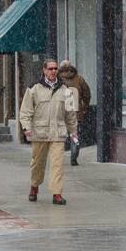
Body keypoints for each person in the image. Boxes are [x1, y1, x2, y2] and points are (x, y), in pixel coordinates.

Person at [18, 57, 77, 205]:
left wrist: (73, 131)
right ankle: (34, 186)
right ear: (44, 70)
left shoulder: (66, 90)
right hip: (40, 132)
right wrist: (26, 127)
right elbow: (25, 111)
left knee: (57, 164)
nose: (53, 71)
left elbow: (70, 113)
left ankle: (57, 193)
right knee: (37, 163)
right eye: (50, 68)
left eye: (55, 68)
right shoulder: (34, 88)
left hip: (58, 133)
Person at [58, 59, 90, 166]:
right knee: (74, 137)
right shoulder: (79, 79)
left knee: (58, 137)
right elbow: (87, 94)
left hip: (60, 113)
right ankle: (74, 158)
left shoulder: (56, 79)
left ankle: (57, 157)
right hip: (75, 113)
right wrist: (83, 107)